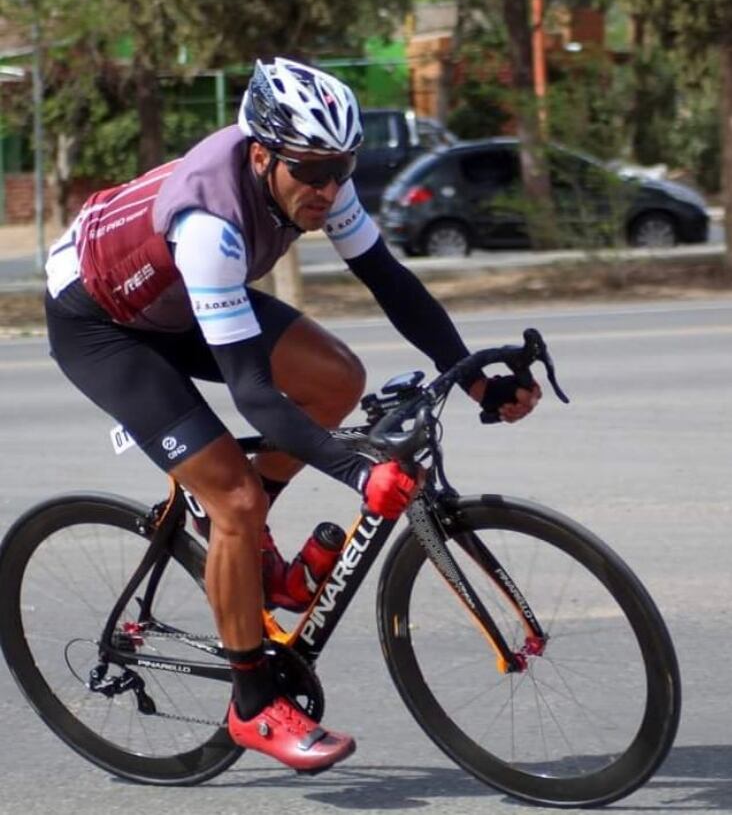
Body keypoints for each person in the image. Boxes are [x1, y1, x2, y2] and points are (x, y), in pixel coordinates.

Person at [43, 57, 541, 773]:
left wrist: (472, 381)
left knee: (336, 377)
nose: (329, 188)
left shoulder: (315, 180)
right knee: (235, 498)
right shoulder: (209, 223)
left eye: (342, 168)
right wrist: (356, 471)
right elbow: (252, 393)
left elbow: (389, 279)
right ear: (261, 155)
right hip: (104, 324)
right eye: (312, 171)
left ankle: (255, 559)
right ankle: (250, 703)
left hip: (177, 298)